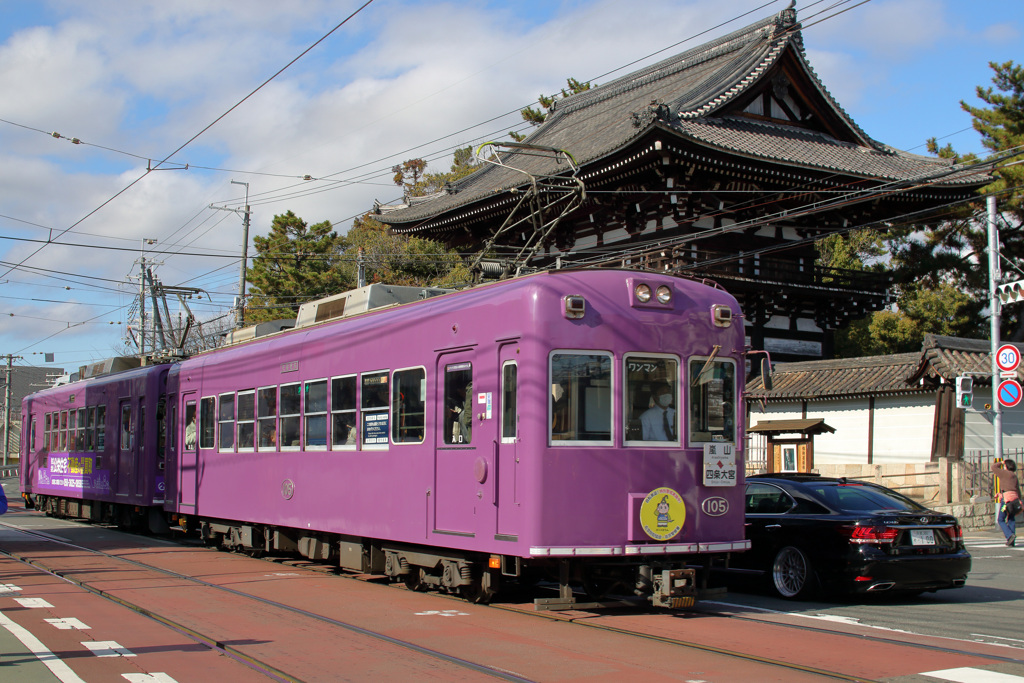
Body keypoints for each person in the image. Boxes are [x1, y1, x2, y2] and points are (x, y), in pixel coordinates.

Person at [995, 459, 1022, 547]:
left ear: (1006, 466)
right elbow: (1018, 489)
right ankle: (1012, 540)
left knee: (1001, 519)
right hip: (1014, 500)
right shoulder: (1014, 476)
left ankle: (1009, 535)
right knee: (1011, 518)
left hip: (1006, 501)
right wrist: (1020, 500)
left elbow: (993, 467)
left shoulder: (1004, 473)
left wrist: (1001, 462)